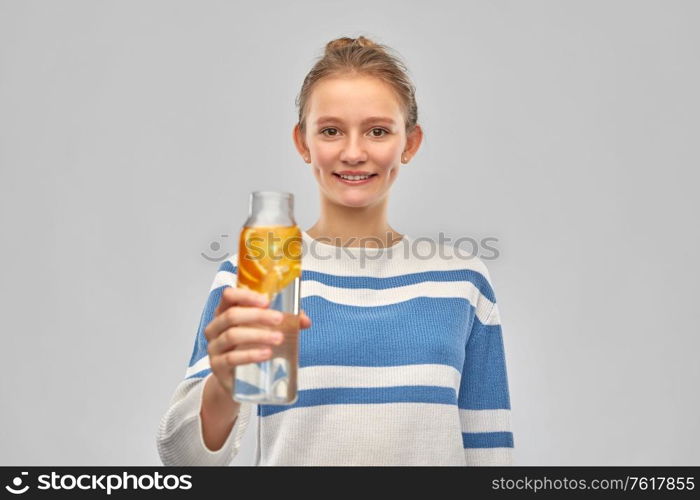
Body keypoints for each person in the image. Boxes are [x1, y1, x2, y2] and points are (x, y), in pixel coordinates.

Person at [156, 35, 514, 466]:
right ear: (303, 142)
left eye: (378, 131)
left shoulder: (461, 279)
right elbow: (185, 460)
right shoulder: (259, 271)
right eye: (330, 131)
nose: (353, 152)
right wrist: (223, 384)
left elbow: (490, 454)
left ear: (411, 143)